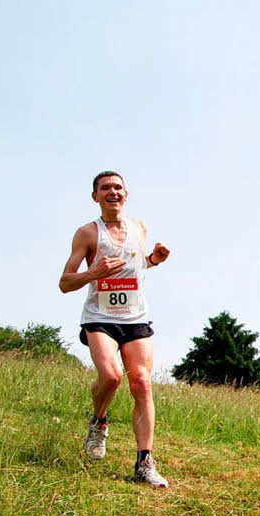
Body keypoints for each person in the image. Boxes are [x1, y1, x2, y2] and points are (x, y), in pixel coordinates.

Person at [59, 171, 171, 488]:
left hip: (135, 318)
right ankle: (98, 422)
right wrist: (92, 272)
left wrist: (153, 260)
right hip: (99, 317)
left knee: (142, 383)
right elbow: (65, 283)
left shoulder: (139, 228)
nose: (113, 192)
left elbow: (134, 264)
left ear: (126, 194)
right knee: (111, 377)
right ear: (95, 196)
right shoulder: (87, 234)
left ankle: (145, 464)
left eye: (118, 187)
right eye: (105, 188)